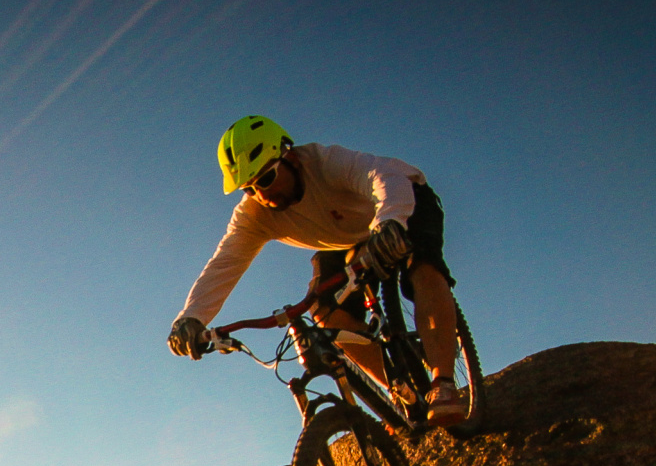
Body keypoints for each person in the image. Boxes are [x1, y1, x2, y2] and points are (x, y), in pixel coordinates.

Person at [168, 115, 465, 426]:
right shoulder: (254, 215)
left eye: (266, 178)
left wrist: (390, 222)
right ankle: (400, 390)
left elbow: (384, 177)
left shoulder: (326, 163)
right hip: (345, 241)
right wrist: (191, 318)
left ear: (290, 156)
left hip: (403, 204)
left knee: (422, 270)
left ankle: (443, 384)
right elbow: (225, 263)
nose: (261, 195)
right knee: (325, 313)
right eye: (249, 188)